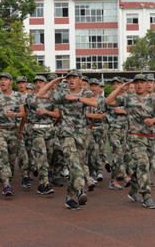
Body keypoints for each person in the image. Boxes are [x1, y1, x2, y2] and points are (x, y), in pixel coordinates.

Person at [37, 70, 98, 210]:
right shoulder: (62, 94)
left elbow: (94, 103)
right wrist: (53, 82)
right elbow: (40, 94)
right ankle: (80, 189)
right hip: (66, 133)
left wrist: (76, 99)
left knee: (77, 166)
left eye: (74, 78)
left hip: (82, 134)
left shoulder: (85, 93)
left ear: (80, 80)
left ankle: (70, 198)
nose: (71, 81)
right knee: (74, 163)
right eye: (69, 78)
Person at [106, 74, 155, 209]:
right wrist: (121, 88)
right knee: (143, 162)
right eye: (137, 83)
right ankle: (147, 196)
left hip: (149, 137)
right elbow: (109, 101)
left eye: (142, 82)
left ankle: (133, 190)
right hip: (134, 138)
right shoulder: (129, 98)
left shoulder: (153, 99)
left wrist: (153, 120)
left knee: (142, 167)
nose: (139, 85)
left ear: (147, 84)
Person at [22, 75, 58, 195]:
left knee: (49, 156)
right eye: (36, 82)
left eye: (41, 82)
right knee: (42, 156)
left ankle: (43, 181)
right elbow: (26, 112)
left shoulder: (52, 98)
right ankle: (45, 183)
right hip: (36, 130)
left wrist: (46, 112)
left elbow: (57, 114)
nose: (38, 84)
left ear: (46, 83)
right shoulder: (30, 97)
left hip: (50, 130)